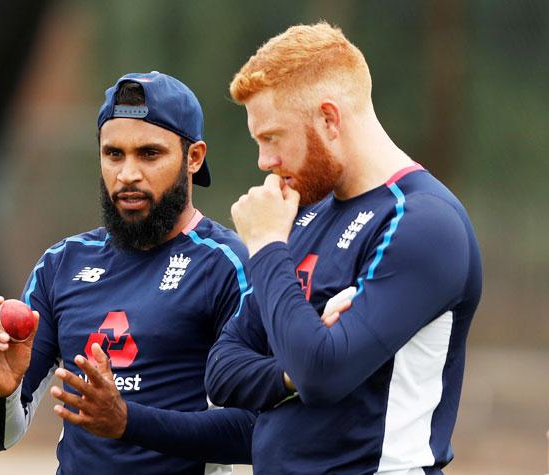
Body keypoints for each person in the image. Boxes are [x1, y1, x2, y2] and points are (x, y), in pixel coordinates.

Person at [205, 21, 483, 474]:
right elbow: (221, 370)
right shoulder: (305, 214)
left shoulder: (424, 222)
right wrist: (293, 365)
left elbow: (324, 375)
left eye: (272, 137)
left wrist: (269, 246)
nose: (264, 162)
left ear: (329, 119)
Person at [0, 71, 257, 475]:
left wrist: (127, 421)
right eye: (114, 154)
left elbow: (258, 430)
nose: (127, 175)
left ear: (193, 158)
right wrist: (4, 391)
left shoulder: (227, 264)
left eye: (149, 154)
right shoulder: (61, 263)